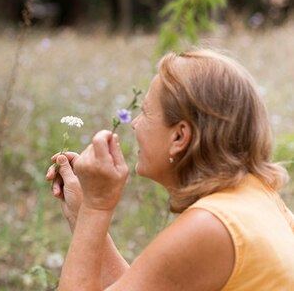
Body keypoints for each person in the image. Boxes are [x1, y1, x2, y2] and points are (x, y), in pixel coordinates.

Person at [46, 49, 294, 290]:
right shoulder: (259, 198)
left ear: (179, 136)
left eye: (145, 112)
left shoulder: (210, 226)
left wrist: (96, 206)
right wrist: (83, 213)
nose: (134, 124)